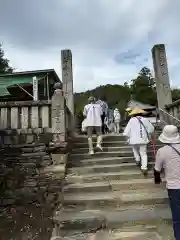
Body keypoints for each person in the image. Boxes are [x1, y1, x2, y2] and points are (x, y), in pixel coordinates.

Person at [154, 125, 180, 239]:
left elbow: (157, 170)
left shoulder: (161, 151)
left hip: (174, 188)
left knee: (177, 217)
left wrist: (157, 180)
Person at [123, 107, 154, 175]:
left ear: (134, 114)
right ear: (141, 113)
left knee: (135, 150)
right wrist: (148, 133)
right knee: (143, 153)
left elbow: (126, 131)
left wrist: (127, 138)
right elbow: (151, 129)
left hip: (133, 139)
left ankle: (137, 159)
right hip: (143, 139)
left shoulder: (131, 120)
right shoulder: (145, 119)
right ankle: (144, 168)